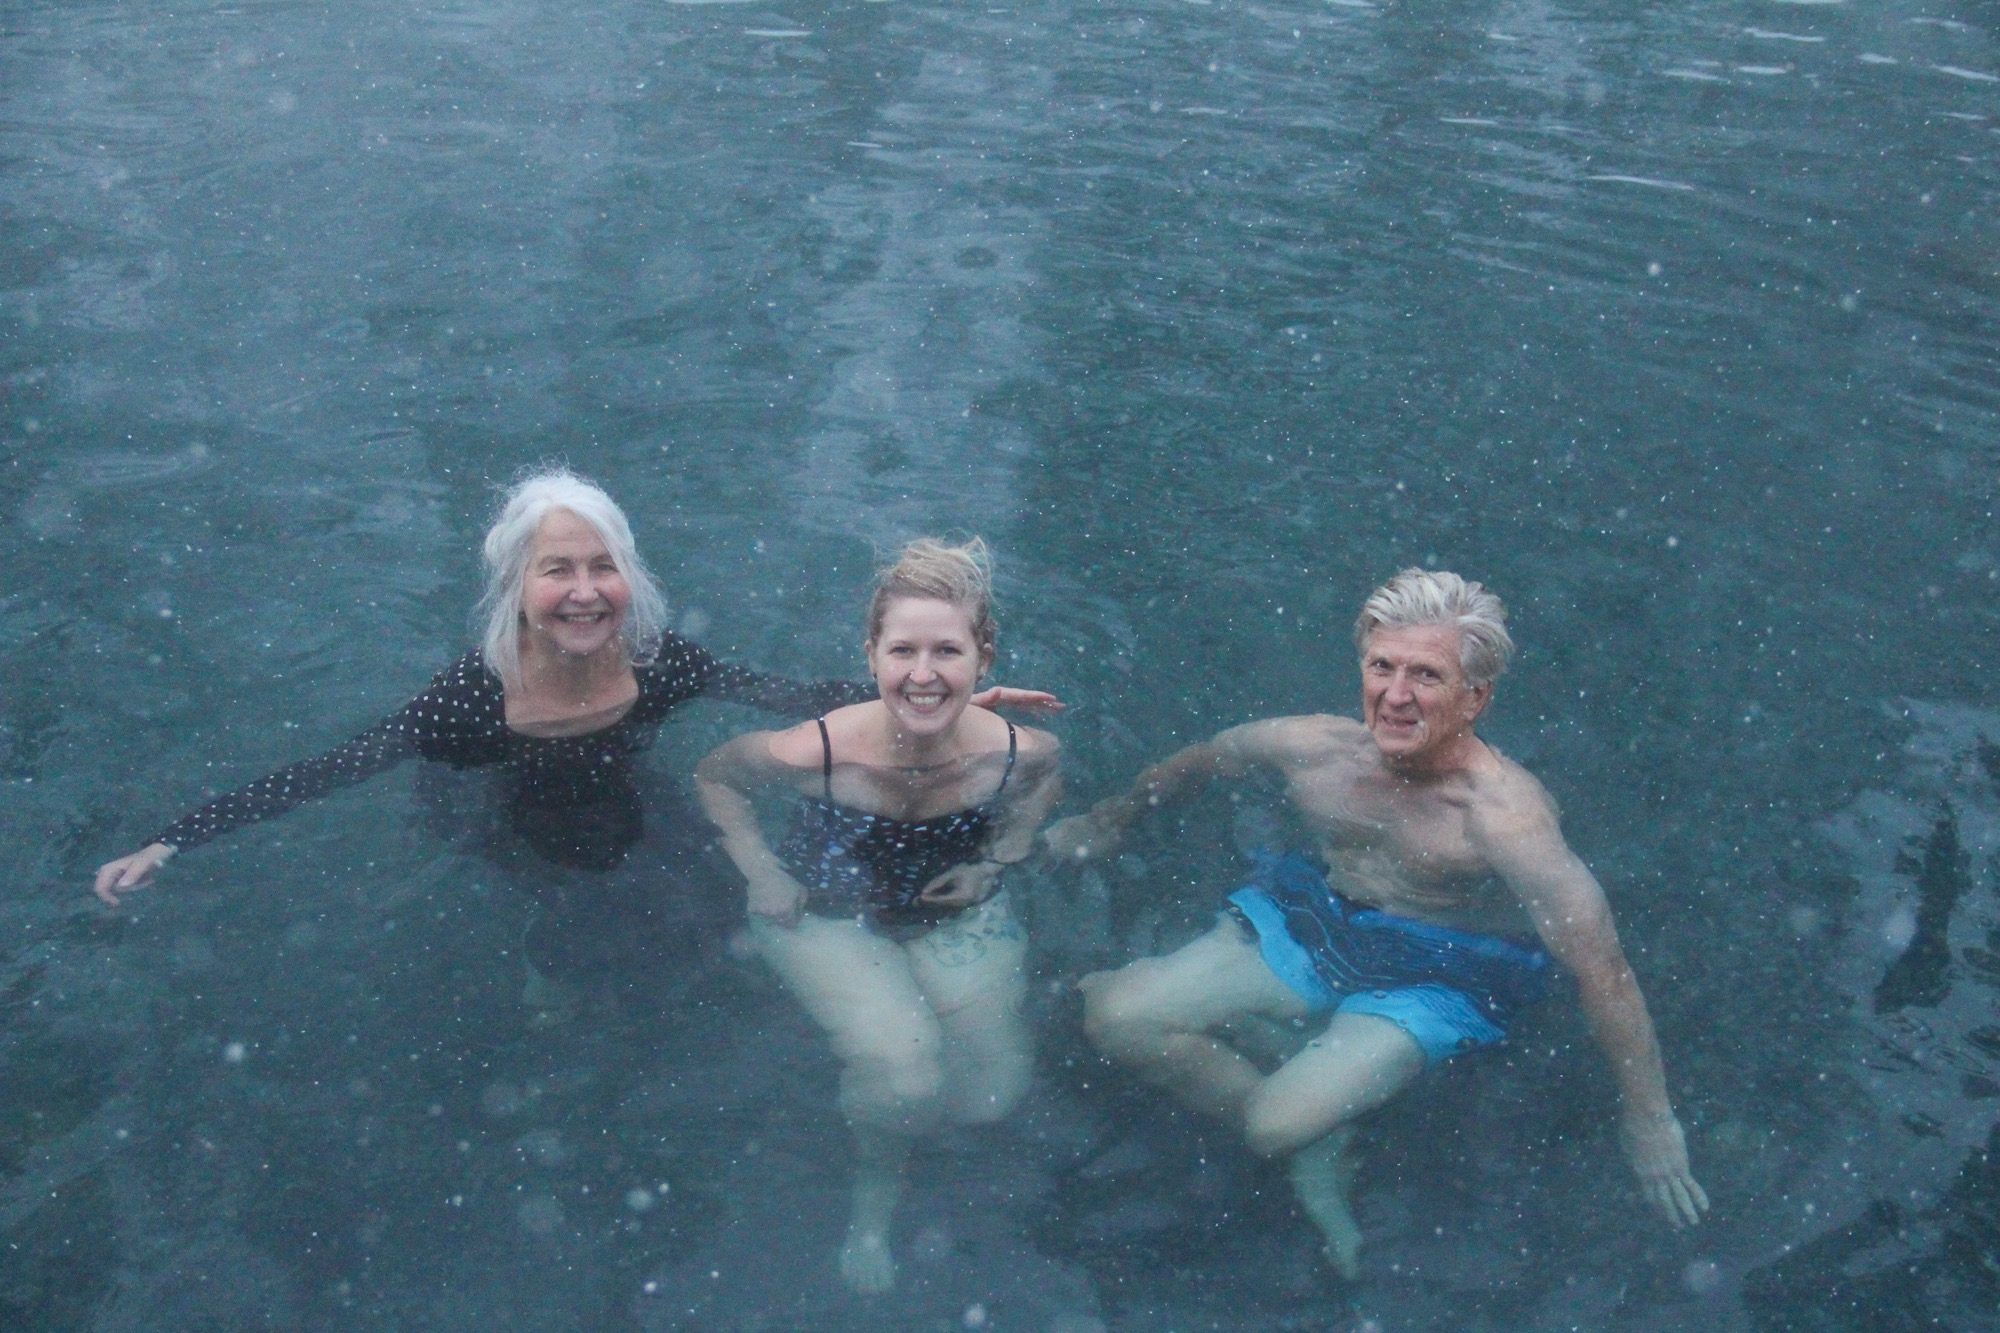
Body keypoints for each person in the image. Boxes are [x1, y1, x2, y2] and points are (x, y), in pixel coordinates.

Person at [92, 471, 1056, 1000]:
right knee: (592, 937)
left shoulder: (658, 660)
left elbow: (777, 691)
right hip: (503, 812)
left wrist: (934, 690)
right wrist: (175, 837)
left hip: (626, 793)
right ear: (518, 585)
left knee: (722, 896)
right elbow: (333, 767)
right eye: (559, 570)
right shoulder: (469, 700)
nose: (586, 591)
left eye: (603, 566)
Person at [1044, 568, 1707, 1278]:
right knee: (1113, 1016)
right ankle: (1316, 1121)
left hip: (1439, 970)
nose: (1394, 695)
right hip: (1316, 922)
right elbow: (1203, 760)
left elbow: (1600, 965)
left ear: (1476, 696)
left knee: (1270, 1126)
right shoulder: (1313, 748)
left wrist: (1649, 1118)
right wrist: (1105, 820)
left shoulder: (1503, 819)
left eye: (1426, 675)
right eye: (1381, 666)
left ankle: (1306, 1115)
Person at [695, 538, 1061, 1295]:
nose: (923, 674)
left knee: (996, 1093)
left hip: (948, 908)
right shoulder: (820, 749)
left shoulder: (1018, 752)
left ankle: (905, 1130)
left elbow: (1044, 786)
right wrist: (761, 869)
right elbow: (716, 776)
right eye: (903, 651)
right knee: (905, 1072)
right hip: (826, 909)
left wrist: (995, 861)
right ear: (871, 654)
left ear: (983, 659)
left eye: (947, 652)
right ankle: (875, 1198)